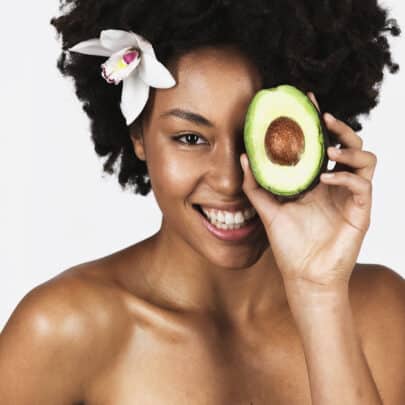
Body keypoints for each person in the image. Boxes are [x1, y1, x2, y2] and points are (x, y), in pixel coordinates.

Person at [1, 1, 404, 404]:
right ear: (139, 136)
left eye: (256, 135)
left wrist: (318, 293)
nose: (229, 180)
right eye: (190, 138)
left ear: (311, 133)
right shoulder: (59, 331)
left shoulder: (381, 314)